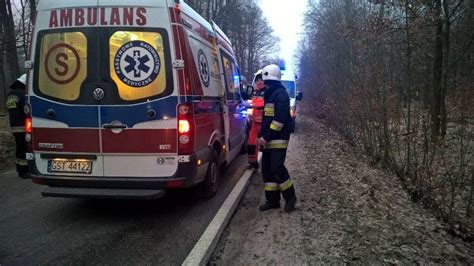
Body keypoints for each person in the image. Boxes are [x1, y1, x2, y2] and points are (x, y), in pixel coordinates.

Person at [257, 64, 297, 212]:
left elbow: (278, 121)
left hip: (278, 139)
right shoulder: (271, 94)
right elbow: (267, 118)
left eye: (264, 81)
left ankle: (290, 198)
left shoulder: (280, 95)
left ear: (269, 80)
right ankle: (272, 201)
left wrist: (265, 137)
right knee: (267, 170)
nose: (262, 84)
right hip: (269, 139)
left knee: (277, 169)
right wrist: (260, 135)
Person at [6, 74, 29, 178]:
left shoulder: (11, 94)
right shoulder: (22, 94)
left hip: (14, 126)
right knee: (24, 148)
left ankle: (19, 169)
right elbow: (26, 109)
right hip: (22, 126)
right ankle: (24, 171)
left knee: (19, 148)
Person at [247, 70, 265, 168]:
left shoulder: (267, 91)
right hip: (254, 122)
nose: (259, 82)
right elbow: (252, 103)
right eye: (257, 80)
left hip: (264, 123)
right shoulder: (255, 91)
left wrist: (258, 106)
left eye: (261, 80)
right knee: (251, 144)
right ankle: (252, 162)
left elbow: (263, 105)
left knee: (263, 145)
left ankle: (266, 165)